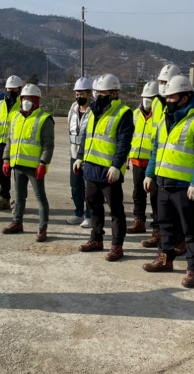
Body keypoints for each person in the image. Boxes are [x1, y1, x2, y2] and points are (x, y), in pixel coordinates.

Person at [141, 75, 194, 288]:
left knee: (190, 229)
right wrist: (150, 174)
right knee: (165, 226)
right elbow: (156, 149)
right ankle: (165, 260)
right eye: (166, 97)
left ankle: (193, 269)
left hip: (185, 188)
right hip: (163, 184)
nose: (168, 101)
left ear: (184, 97)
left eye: (172, 97)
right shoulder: (165, 119)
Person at [74, 73, 134, 261]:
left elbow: (124, 143)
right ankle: (96, 238)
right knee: (94, 207)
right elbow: (86, 137)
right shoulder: (92, 111)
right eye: (97, 92)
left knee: (115, 210)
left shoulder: (123, 113)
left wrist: (117, 165)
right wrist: (80, 157)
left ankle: (117, 245)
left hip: (109, 172)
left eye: (103, 92)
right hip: (91, 168)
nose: (98, 95)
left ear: (114, 93)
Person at [141, 64, 186, 253]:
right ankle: (159, 233)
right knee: (157, 202)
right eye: (160, 81)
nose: (162, 85)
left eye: (166, 82)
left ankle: (180, 239)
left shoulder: (183, 106)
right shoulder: (157, 103)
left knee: (179, 209)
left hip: (177, 164)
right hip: (159, 158)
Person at [1, 84, 55, 241]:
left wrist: (43, 163)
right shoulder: (15, 117)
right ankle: (17, 222)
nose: (26, 101)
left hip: (34, 167)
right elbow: (10, 141)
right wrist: (6, 159)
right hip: (18, 165)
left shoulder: (44, 119)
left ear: (37, 101)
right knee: (19, 197)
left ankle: (42, 228)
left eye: (30, 99)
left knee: (40, 198)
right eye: (23, 98)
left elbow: (48, 145)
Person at [127, 81, 159, 235]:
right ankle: (139, 220)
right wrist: (127, 157)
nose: (146, 100)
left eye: (150, 97)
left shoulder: (160, 116)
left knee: (156, 196)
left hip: (154, 163)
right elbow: (129, 137)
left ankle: (157, 227)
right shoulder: (135, 114)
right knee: (138, 193)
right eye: (144, 97)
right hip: (137, 161)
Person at [0, 75, 23, 211]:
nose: (10, 91)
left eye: (13, 89)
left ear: (19, 89)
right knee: (3, 175)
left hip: (18, 146)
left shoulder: (23, 105)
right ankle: (4, 199)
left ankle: (19, 202)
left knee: (18, 176)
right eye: (9, 88)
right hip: (2, 145)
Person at [66, 77, 93, 227]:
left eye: (82, 94)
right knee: (75, 185)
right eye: (77, 94)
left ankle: (89, 216)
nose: (78, 97)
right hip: (74, 154)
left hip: (88, 156)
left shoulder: (94, 111)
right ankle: (78, 213)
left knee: (88, 187)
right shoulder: (73, 109)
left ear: (89, 94)